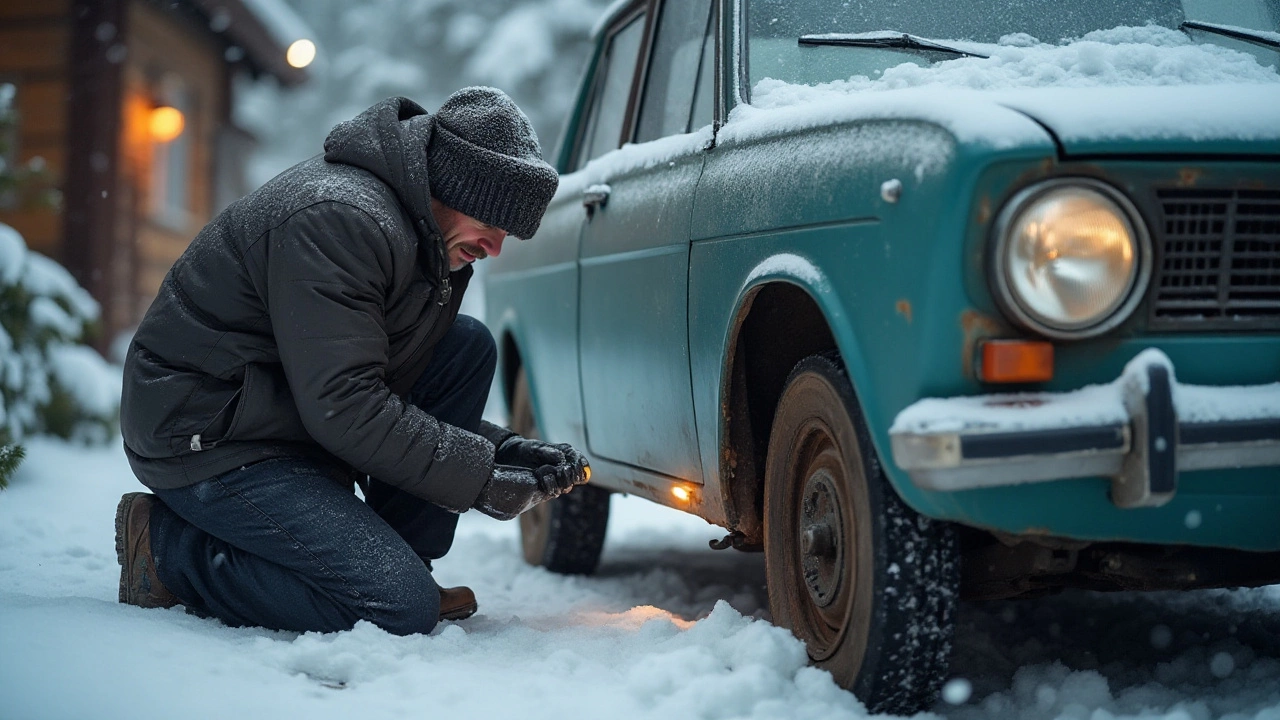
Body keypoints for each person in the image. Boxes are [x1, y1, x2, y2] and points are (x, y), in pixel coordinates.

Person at [114, 88, 587, 636]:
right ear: (453, 184)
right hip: (211, 434)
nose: (498, 247)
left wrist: (504, 451)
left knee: (465, 345)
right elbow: (345, 403)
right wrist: (480, 477)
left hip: (283, 415)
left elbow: (379, 383)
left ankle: (390, 565)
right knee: (396, 608)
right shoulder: (340, 220)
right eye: (495, 221)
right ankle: (170, 549)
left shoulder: (425, 238)